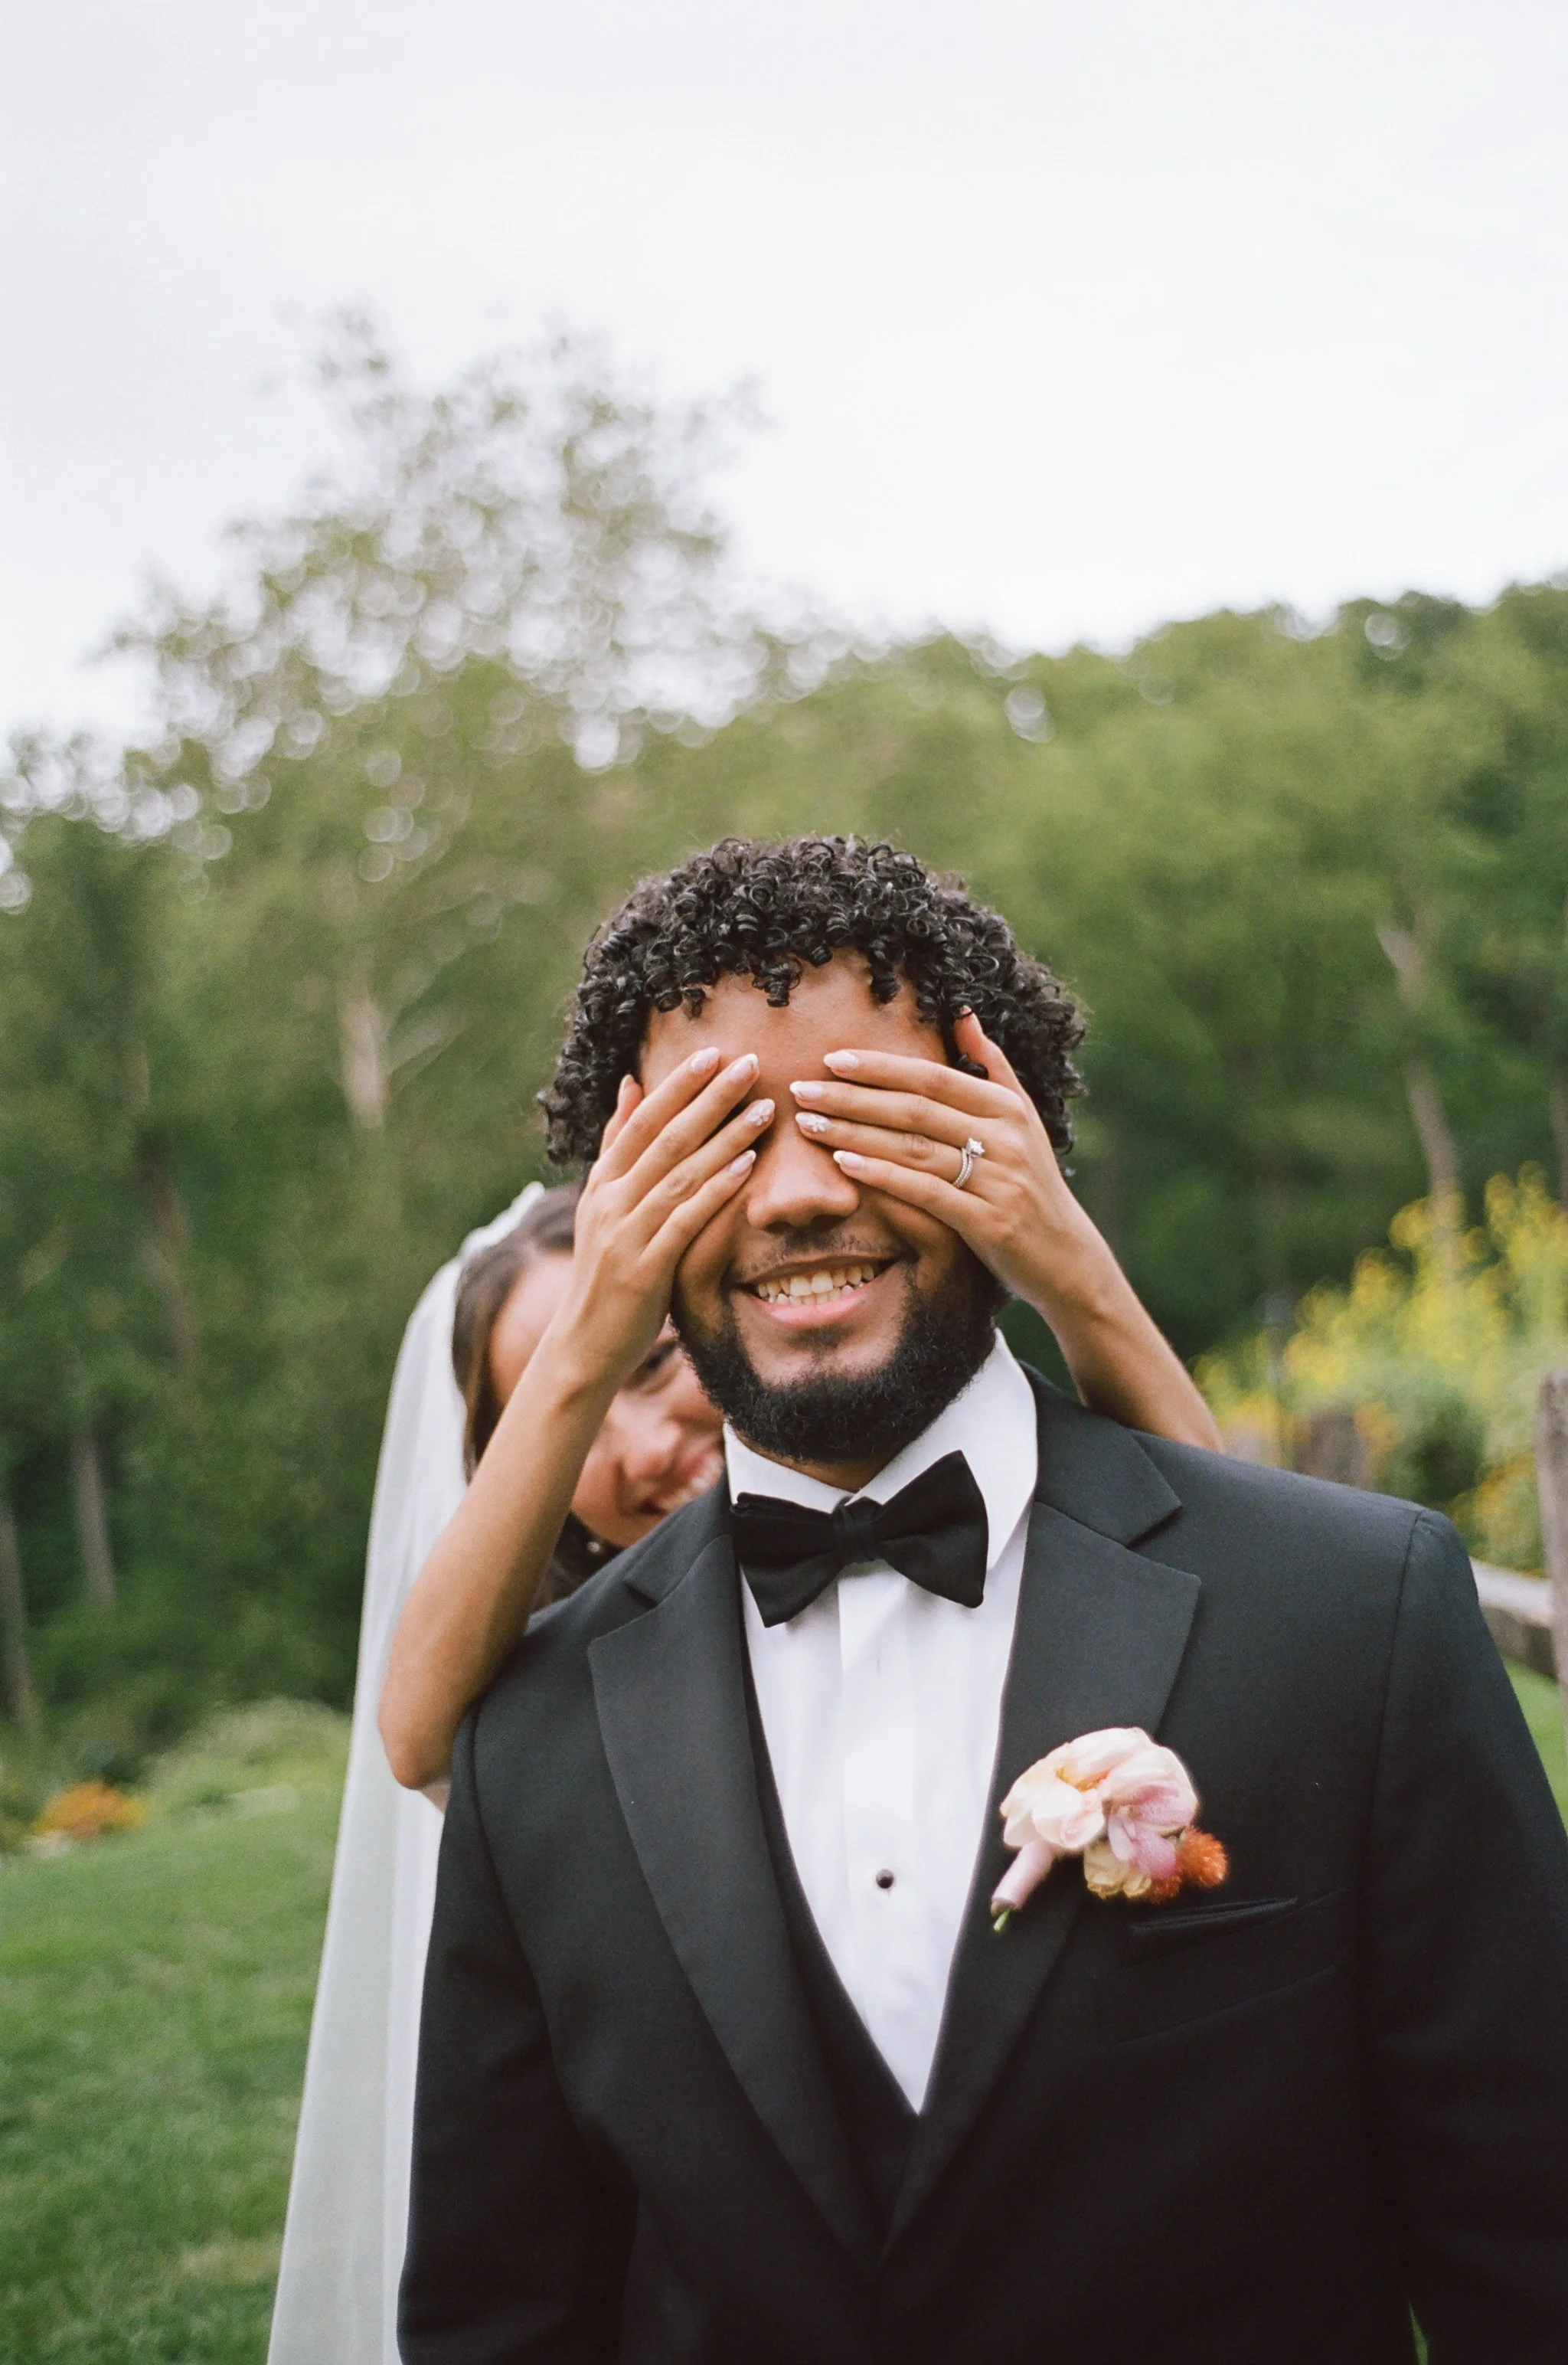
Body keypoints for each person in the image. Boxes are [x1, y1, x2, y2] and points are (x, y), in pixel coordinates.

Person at [402, 835, 1568, 2365]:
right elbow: (502, 2316)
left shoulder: (1353, 1616)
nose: (801, 1194)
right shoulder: (528, 1744)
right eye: (722, 1135)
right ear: (624, 1192)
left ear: (998, 1132)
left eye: (864, 1118)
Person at [379, 1045, 1219, 1801]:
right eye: (572, 1415)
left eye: (651, 1363)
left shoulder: (1046, 1517)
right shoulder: (561, 1699)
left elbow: (1233, 1591)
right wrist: (579, 1356)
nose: (643, 1451)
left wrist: (1068, 1270)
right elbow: (420, 1748)